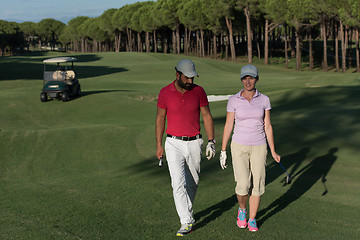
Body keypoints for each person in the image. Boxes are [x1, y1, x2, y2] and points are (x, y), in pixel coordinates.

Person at [155, 59, 216, 237]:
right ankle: (186, 221)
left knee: (193, 183)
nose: (190, 81)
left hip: (195, 142)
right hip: (173, 143)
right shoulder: (165, 92)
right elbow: (160, 119)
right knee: (178, 184)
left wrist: (211, 141)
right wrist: (159, 144)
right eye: (187, 78)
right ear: (177, 75)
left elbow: (207, 115)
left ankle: (187, 211)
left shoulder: (199, 91)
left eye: (192, 78)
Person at [219, 64, 281, 232]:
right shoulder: (233, 100)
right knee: (243, 184)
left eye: (251, 78)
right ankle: (242, 209)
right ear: (241, 80)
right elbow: (228, 126)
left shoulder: (264, 100)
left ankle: (252, 219)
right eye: (245, 78)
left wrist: (273, 151)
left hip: (259, 145)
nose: (248, 81)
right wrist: (223, 150)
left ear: (256, 79)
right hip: (239, 146)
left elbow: (267, 126)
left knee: (258, 184)